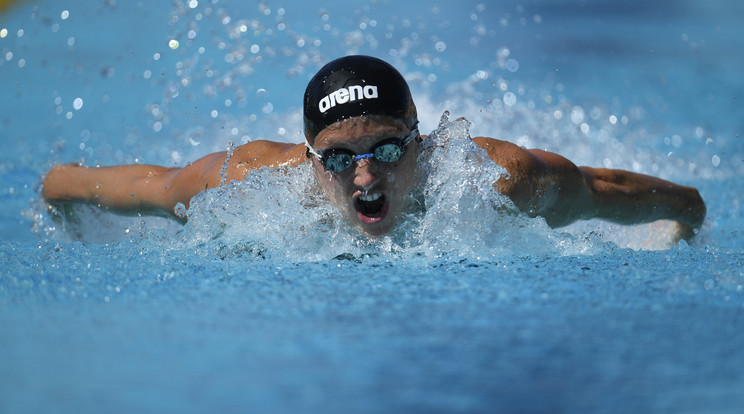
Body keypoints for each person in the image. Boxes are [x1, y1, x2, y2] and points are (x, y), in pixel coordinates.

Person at [42, 55, 706, 241]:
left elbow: (601, 191)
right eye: (337, 158)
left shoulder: (498, 181)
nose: (364, 178)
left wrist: (689, 210)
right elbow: (149, 187)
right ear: (308, 158)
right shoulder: (248, 184)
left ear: (422, 142)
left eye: (388, 151)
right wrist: (57, 188)